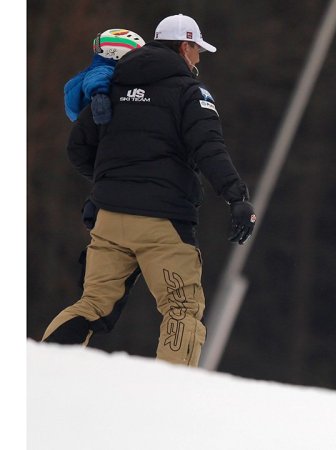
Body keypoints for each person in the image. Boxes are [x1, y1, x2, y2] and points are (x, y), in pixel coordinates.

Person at [42, 14, 257, 367]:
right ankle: (166, 402)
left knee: (93, 304)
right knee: (182, 309)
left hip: (109, 218)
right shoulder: (190, 92)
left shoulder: (111, 84)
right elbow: (209, 148)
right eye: (197, 50)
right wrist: (237, 197)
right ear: (185, 47)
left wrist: (109, 184)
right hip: (163, 223)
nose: (199, 58)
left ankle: (40, 369)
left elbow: (78, 149)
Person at [61, 29, 146, 335]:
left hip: (106, 175)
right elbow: (97, 77)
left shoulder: (92, 77)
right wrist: (99, 95)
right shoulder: (102, 76)